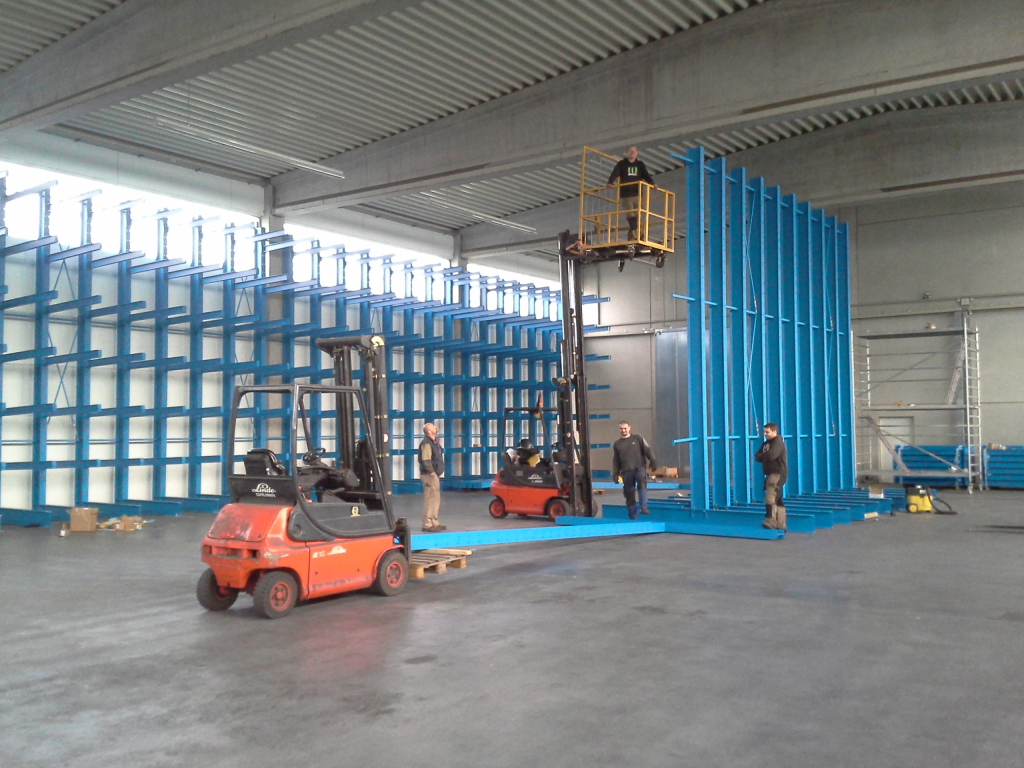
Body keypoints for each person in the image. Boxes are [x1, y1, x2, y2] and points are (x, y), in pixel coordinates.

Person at [605, 146, 655, 241]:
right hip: (626, 194)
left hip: (637, 193)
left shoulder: (640, 165)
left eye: (634, 151)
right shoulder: (622, 164)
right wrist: (610, 182)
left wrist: (652, 183)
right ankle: (638, 235)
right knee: (630, 215)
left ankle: (632, 236)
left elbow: (646, 175)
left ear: (637, 153)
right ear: (627, 153)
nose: (632, 152)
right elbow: (615, 173)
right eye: (630, 151)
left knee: (638, 216)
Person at [612, 421, 657, 521]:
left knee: (642, 482)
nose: (623, 430)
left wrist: (652, 460)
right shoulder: (617, 444)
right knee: (629, 494)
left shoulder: (638, 438)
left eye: (625, 428)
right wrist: (615, 473)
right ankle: (633, 517)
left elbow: (647, 449)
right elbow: (616, 460)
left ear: (629, 428)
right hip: (626, 471)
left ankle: (643, 508)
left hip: (639, 468)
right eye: (621, 429)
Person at [754, 422, 788, 531]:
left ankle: (770, 521)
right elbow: (757, 456)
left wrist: (764, 456)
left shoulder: (778, 442)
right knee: (778, 499)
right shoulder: (766, 444)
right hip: (770, 474)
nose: (765, 434)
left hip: (777, 474)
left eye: (767, 432)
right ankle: (781, 525)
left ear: (774, 432)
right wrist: (765, 455)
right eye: (764, 432)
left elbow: (772, 455)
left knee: (770, 497)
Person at [419, 423, 446, 532]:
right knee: (430, 499)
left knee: (435, 498)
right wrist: (431, 472)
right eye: (433, 427)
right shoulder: (426, 443)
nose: (436, 427)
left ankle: (434, 521)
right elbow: (426, 459)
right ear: (429, 432)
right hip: (429, 475)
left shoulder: (434, 442)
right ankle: (427, 524)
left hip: (434, 474)